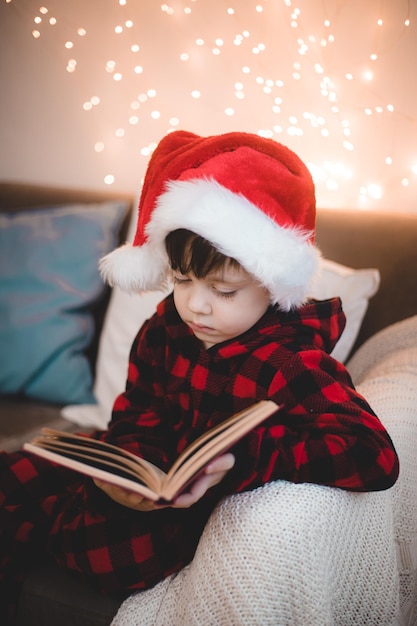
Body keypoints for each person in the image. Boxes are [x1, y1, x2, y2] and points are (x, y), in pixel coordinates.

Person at [0, 130, 399, 623]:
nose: (195, 304)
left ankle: (48, 526)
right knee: (13, 471)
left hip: (189, 508)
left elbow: (374, 456)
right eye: (183, 280)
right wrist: (132, 463)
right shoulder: (166, 328)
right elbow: (139, 406)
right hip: (145, 468)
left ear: (271, 287)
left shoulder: (292, 362)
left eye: (224, 291)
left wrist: (250, 459)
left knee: (104, 552)